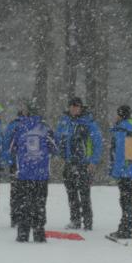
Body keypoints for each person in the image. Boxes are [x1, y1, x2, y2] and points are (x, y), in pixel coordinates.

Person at [9, 99, 57, 242]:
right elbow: (55, 149)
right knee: (39, 205)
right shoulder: (46, 128)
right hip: (41, 175)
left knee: (23, 205)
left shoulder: (19, 128)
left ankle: (22, 234)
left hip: (24, 174)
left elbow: (11, 149)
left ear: (27, 112)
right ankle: (39, 233)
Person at [54, 97, 103, 231]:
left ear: (81, 107)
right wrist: (59, 154)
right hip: (69, 162)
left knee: (84, 193)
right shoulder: (64, 121)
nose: (74, 108)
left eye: (77, 106)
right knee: (71, 193)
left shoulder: (89, 122)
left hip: (84, 163)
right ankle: (75, 220)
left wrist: (93, 161)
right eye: (72, 106)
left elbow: (97, 143)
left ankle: (87, 222)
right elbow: (57, 138)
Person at [108, 104, 132, 240]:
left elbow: (121, 153)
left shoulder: (124, 128)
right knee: (127, 198)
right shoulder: (130, 126)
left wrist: (119, 170)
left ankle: (127, 228)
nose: (115, 116)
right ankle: (129, 226)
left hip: (126, 170)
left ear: (121, 115)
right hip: (130, 169)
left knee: (126, 199)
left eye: (117, 114)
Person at [2, 109, 26, 227]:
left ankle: (15, 218)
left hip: (15, 163)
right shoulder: (31, 125)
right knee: (26, 191)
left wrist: (8, 160)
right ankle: (24, 217)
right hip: (27, 164)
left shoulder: (12, 125)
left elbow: (6, 144)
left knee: (15, 191)